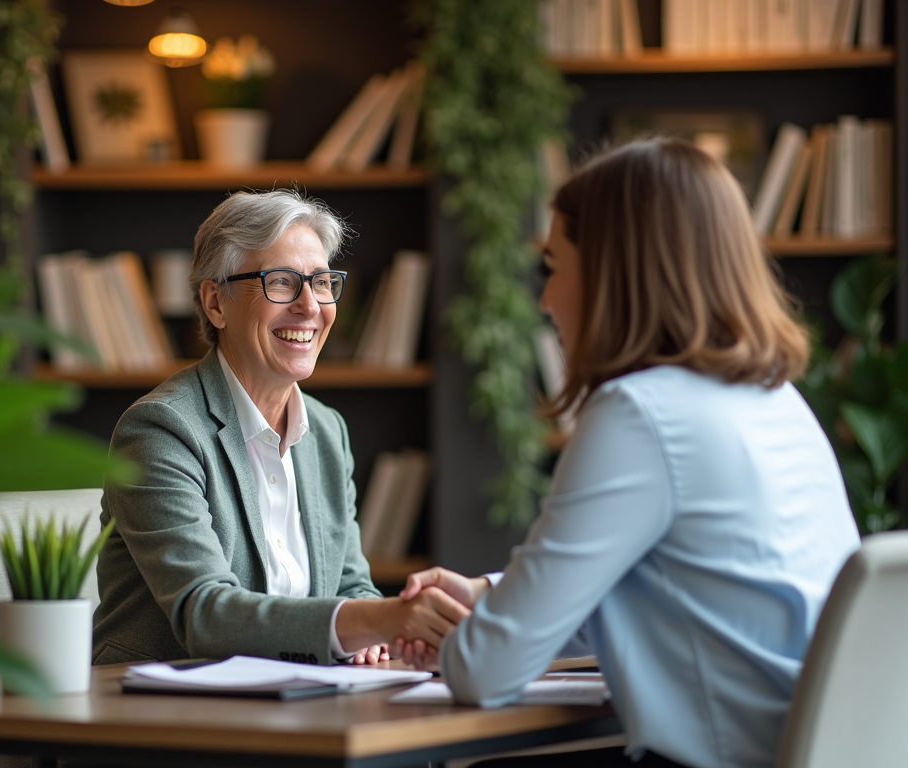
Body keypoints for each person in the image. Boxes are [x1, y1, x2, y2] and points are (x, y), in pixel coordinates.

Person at [394, 139, 861, 768]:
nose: (545, 299)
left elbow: (486, 672)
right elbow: (661, 590)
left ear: (615, 272)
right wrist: (487, 596)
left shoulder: (639, 414)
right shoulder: (776, 400)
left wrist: (451, 637)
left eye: (556, 266)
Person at [93, 189, 467, 667]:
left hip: (301, 703)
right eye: (282, 282)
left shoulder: (328, 432)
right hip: (163, 715)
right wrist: (378, 619)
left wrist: (372, 633)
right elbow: (205, 614)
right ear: (215, 303)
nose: (311, 306)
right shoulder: (160, 430)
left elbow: (351, 584)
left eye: (322, 282)